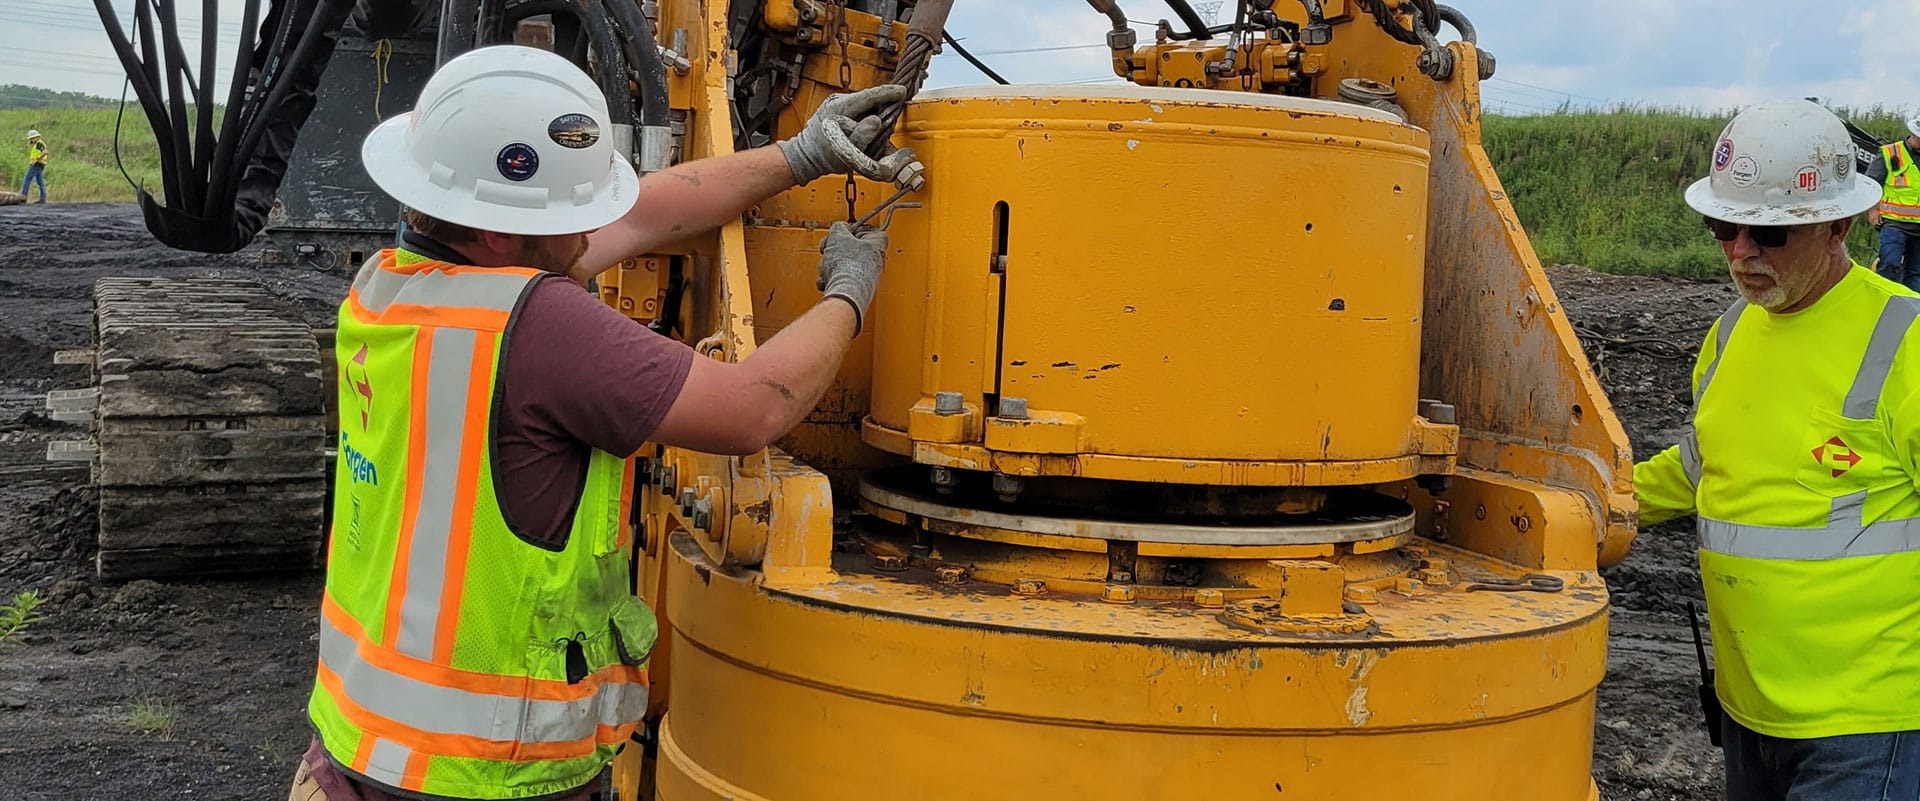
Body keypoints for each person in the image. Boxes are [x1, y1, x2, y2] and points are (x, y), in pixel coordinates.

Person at [288, 44, 918, 801]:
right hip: (481, 773)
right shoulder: (541, 325)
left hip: (359, 741)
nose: (590, 237)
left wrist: (800, 153)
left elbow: (644, 211)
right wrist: (847, 290)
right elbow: (758, 404)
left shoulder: (388, 286)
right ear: (495, 231)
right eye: (570, 218)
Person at [1635, 97, 1920, 801]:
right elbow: (1702, 468)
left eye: (1768, 233)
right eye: (1723, 227)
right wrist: (1585, 499)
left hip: (1868, 723)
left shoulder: (1903, 341)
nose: (1742, 252)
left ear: (1839, 225)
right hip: (1747, 711)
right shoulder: (1731, 334)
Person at [1867, 113, 1920, 291]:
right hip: (1894, 222)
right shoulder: (1890, 153)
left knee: (1915, 274)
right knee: (1889, 264)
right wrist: (1874, 210)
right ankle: (1883, 300)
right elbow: (1871, 183)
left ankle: (1912, 311)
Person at [21, 130, 47, 204]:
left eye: (32, 138)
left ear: (36, 137)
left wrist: (37, 159)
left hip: (37, 164)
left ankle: (23, 197)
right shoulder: (38, 144)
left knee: (27, 180)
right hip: (40, 165)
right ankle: (43, 199)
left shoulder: (39, 144)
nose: (31, 140)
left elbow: (45, 152)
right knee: (40, 182)